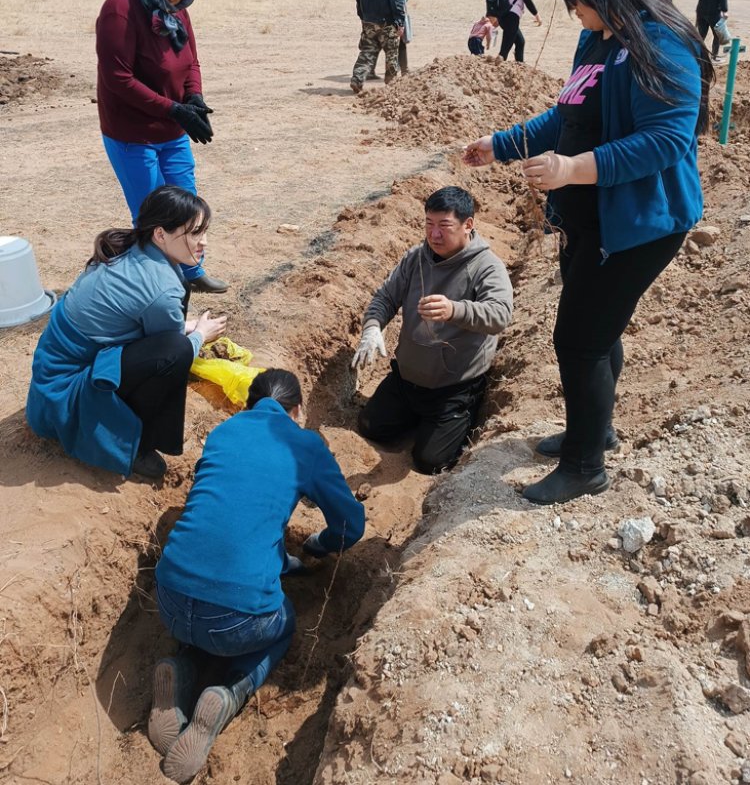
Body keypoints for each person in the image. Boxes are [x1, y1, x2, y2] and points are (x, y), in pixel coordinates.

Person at [464, 0, 712, 505]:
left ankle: (584, 466)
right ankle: (595, 430)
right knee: (597, 332)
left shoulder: (661, 42)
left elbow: (665, 141)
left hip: (639, 223)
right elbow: (565, 116)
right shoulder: (596, 39)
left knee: (578, 339)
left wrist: (572, 170)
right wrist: (500, 144)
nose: (571, 3)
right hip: (590, 220)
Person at [150, 369, 365, 783]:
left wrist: (282, 560)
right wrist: (317, 545)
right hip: (237, 621)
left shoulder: (225, 432)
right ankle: (227, 692)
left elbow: (231, 516)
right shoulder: (304, 445)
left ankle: (183, 666)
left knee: (210, 609)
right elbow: (349, 527)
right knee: (281, 620)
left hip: (170, 599)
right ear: (297, 410)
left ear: (250, 403)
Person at [26, 186, 227, 480]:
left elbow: (138, 321)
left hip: (52, 371)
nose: (203, 242)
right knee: (178, 352)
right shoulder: (161, 287)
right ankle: (136, 446)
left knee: (174, 343)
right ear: (161, 234)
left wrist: (187, 326)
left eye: (204, 231)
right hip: (65, 394)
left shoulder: (134, 248)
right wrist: (199, 335)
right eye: (194, 233)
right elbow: (168, 346)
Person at [95, 0, 227, 294]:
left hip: (172, 131)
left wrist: (194, 98)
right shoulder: (120, 8)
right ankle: (157, 285)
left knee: (187, 205)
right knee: (153, 214)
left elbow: (191, 62)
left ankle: (190, 272)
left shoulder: (178, 11)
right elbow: (118, 78)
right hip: (131, 133)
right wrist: (175, 109)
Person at [352, 186, 513, 475]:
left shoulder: (487, 267)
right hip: (407, 379)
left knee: (430, 461)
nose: (434, 234)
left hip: (453, 387)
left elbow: (500, 315)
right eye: (429, 224)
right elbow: (385, 298)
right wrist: (372, 328)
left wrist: (456, 310)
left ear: (468, 225)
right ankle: (417, 418)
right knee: (370, 427)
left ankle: (456, 417)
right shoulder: (416, 258)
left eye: (444, 226)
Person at [350, 0, 406, 94]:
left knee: (367, 51)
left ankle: (357, 79)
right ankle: (392, 86)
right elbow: (397, 1)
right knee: (391, 54)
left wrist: (363, 17)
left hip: (368, 20)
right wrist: (400, 23)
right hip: (387, 23)